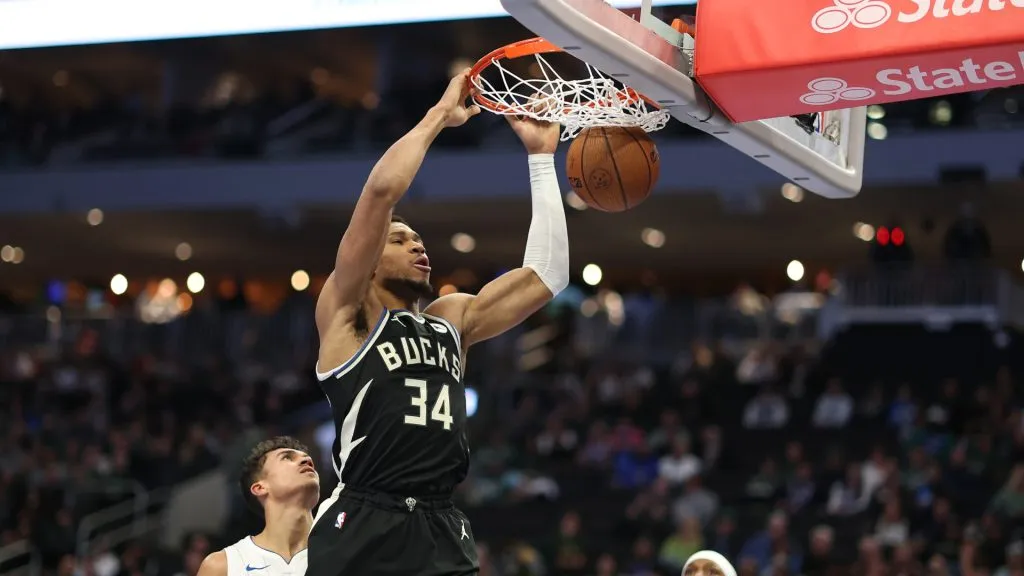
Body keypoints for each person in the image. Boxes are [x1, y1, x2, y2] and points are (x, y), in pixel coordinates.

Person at [306, 69, 568, 575]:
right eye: (400, 239)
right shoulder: (349, 312)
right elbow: (382, 192)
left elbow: (548, 274)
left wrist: (540, 158)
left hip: (440, 521)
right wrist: (437, 118)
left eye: (420, 239)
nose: (417, 244)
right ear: (370, 259)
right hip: (363, 512)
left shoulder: (453, 319)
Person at [198, 437, 320, 576]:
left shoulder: (342, 546)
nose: (307, 460)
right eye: (287, 458)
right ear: (259, 487)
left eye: (307, 458)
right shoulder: (222, 565)